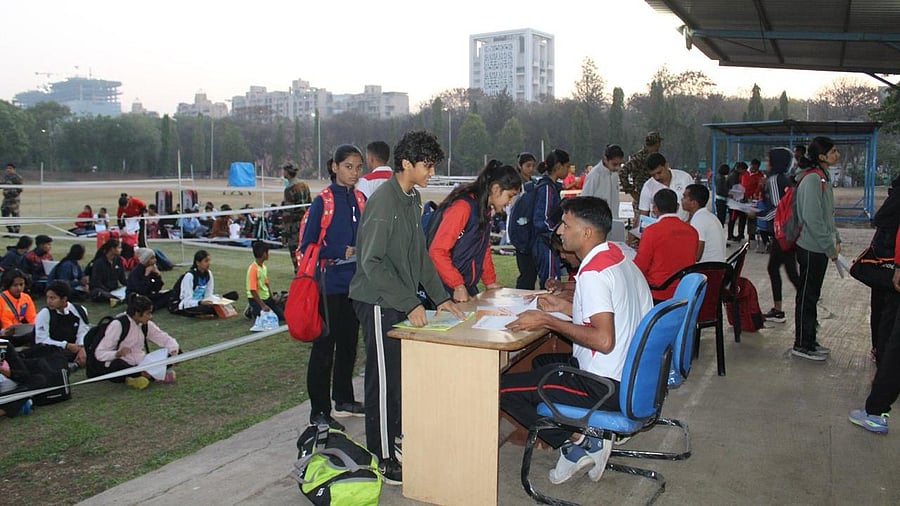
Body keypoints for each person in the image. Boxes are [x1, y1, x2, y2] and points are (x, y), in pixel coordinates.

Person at [500, 196, 653, 485]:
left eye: (565, 225)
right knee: (542, 362)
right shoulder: (620, 258)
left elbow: (604, 339)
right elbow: (612, 315)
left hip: (602, 386)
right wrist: (563, 308)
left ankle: (579, 440)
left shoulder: (593, 274)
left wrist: (547, 320)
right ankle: (582, 434)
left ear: (586, 233)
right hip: (629, 378)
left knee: (500, 388)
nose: (559, 231)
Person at [349, 130, 465, 485]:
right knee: (383, 383)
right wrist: (409, 302)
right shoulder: (384, 203)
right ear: (406, 164)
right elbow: (372, 263)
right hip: (376, 300)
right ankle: (382, 456)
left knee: (399, 377)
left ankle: (396, 439)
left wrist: (441, 296)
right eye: (427, 166)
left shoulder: (412, 198)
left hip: (398, 298)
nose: (431, 173)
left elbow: (419, 255)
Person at [298, 144, 369, 428]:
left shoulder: (361, 199)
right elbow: (307, 245)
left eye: (358, 167)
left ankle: (343, 399)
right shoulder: (322, 202)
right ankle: (319, 412)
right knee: (324, 349)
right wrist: (339, 250)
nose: (354, 172)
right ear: (334, 167)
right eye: (348, 166)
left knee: (349, 345)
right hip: (328, 285)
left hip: (355, 286)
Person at [849, 177, 900, 434]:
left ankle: (876, 412)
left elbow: (884, 222)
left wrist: (898, 266)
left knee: (893, 343)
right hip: (892, 275)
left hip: (890, 275)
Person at [428, 160, 520, 302]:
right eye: (510, 196)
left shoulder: (484, 210)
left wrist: (489, 281)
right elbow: (437, 251)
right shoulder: (463, 207)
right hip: (443, 288)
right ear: (496, 189)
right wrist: (457, 285)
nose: (510, 202)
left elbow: (483, 248)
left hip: (462, 285)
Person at [792, 137, 841, 361]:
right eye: (832, 152)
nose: (836, 154)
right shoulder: (813, 180)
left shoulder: (822, 177)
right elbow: (813, 218)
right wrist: (828, 245)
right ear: (821, 156)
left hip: (818, 246)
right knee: (807, 296)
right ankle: (802, 344)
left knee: (812, 295)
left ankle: (810, 339)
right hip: (811, 247)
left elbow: (827, 214)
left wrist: (835, 238)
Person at [93, 293, 180, 390]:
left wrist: (173, 352)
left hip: (141, 362)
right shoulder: (118, 325)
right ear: (137, 313)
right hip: (120, 363)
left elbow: (164, 338)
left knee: (178, 352)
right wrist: (117, 353)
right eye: (148, 313)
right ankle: (148, 375)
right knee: (118, 364)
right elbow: (99, 354)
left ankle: (144, 375)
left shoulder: (146, 325)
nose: (150, 316)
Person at [634, 189, 699, 302]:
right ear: (677, 206)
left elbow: (640, 266)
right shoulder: (692, 231)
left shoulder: (651, 231)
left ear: (655, 208)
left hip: (658, 292)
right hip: (685, 291)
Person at [761, 147, 801, 323]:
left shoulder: (774, 180)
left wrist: (758, 215)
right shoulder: (785, 179)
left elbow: (779, 209)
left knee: (780, 270)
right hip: (788, 233)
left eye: (768, 159)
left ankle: (780, 310)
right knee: (790, 271)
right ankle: (802, 302)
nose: (766, 163)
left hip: (782, 234)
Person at [532, 149, 571, 289]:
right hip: (546, 244)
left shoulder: (551, 187)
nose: (569, 170)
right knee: (550, 283)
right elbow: (541, 220)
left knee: (552, 281)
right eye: (567, 166)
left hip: (548, 242)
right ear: (558, 166)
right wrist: (557, 235)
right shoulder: (546, 188)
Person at [33, 281, 89, 367]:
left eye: (53, 298)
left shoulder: (79, 310)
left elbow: (82, 331)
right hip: (55, 347)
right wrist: (66, 345)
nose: (48, 301)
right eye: (47, 297)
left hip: (74, 347)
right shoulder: (45, 313)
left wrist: (81, 348)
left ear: (64, 299)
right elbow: (41, 340)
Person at [637, 153, 693, 221]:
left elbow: (695, 206)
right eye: (653, 175)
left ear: (666, 165)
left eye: (659, 172)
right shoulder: (648, 186)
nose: (657, 177)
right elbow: (643, 215)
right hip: (658, 229)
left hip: (683, 226)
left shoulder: (685, 178)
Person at [511, 152, 539, 289]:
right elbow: (514, 207)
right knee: (526, 272)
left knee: (532, 272)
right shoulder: (516, 184)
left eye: (533, 166)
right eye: (528, 166)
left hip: (531, 230)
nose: (531, 169)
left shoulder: (534, 182)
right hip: (521, 229)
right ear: (520, 166)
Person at [682, 184, 726, 262]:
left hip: (708, 270)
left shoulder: (699, 219)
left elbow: (697, 256)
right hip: (717, 266)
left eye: (685, 197)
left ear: (694, 203)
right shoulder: (707, 216)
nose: (682, 199)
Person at [580, 144, 625, 219]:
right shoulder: (594, 175)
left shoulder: (614, 174)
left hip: (614, 219)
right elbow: (584, 201)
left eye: (620, 164)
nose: (617, 168)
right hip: (597, 222)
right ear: (605, 159)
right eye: (614, 164)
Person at [282, 163, 312, 272]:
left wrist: (285, 233)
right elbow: (310, 204)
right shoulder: (304, 185)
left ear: (287, 172)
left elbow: (287, 213)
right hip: (306, 223)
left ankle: (299, 272)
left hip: (294, 226)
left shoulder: (290, 189)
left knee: (294, 251)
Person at [245, 240, 284, 321]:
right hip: (256, 299)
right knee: (265, 319)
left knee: (281, 316)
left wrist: (271, 296)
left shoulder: (263, 267)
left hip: (266, 298)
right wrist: (262, 305)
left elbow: (266, 283)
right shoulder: (253, 269)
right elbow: (252, 290)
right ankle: (251, 309)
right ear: (264, 254)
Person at [620, 131, 662, 205]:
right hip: (641, 198)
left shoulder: (654, 156)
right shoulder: (639, 157)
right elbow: (623, 172)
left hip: (653, 197)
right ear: (656, 143)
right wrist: (631, 191)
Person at [0, 268, 37, 348]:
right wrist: (3, 332)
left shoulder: (26, 298)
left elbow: (32, 318)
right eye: (15, 285)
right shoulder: (1, 299)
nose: (19, 288)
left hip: (20, 333)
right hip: (4, 335)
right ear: (8, 285)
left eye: (21, 284)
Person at [89, 239, 127, 304]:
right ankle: (115, 298)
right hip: (103, 289)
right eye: (119, 247)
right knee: (97, 293)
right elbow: (96, 282)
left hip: (115, 289)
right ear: (112, 249)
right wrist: (107, 291)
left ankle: (117, 298)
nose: (121, 250)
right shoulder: (99, 263)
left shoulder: (119, 260)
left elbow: (122, 279)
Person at [726, 161, 749, 241]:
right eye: (744, 170)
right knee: (733, 218)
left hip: (735, 200)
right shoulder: (734, 176)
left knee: (738, 217)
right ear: (740, 169)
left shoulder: (734, 174)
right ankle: (730, 235)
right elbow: (735, 189)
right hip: (733, 201)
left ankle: (737, 234)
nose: (745, 172)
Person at [2, 163, 23, 234]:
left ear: (14, 169)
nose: (8, 170)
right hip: (6, 199)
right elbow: (3, 184)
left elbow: (20, 189)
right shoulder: (6, 177)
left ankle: (16, 231)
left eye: (10, 168)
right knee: (4, 214)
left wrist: (9, 191)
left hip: (14, 199)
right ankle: (10, 230)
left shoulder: (18, 177)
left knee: (15, 215)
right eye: (7, 168)